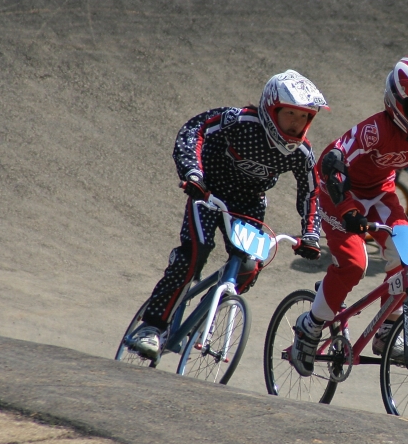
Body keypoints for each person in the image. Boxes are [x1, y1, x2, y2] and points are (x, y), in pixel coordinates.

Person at [289, 57, 408, 377]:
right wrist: (347, 210)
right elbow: (332, 163)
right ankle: (310, 326)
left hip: (379, 193)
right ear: (400, 104)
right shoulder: (375, 131)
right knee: (354, 264)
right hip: (338, 194)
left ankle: (388, 330)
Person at [130, 70, 329, 359]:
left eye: (304, 117)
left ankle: (204, 313)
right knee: (194, 253)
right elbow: (194, 129)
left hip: (249, 204)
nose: (297, 124)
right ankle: (151, 326)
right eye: (290, 114)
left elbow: (311, 191)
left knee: (249, 267)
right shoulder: (239, 121)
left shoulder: (301, 153)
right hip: (209, 193)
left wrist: (310, 233)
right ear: (270, 109)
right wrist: (193, 173)